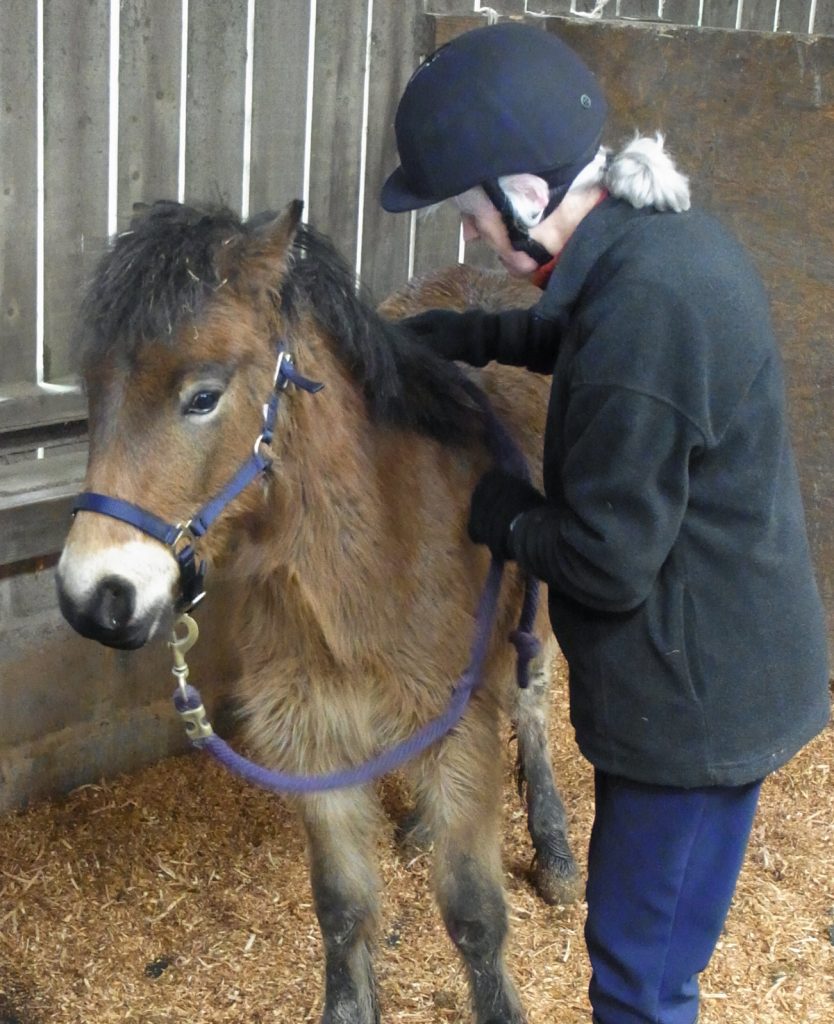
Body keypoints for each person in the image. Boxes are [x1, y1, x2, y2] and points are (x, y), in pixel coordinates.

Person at [380, 21, 831, 1024]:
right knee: (643, 952)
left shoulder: (649, 305)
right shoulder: (649, 245)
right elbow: (575, 332)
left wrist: (496, 511)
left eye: (471, 214)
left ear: (530, 199)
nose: (469, 237)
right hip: (715, 655)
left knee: (639, 975)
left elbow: (605, 560)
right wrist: (466, 335)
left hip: (695, 699)